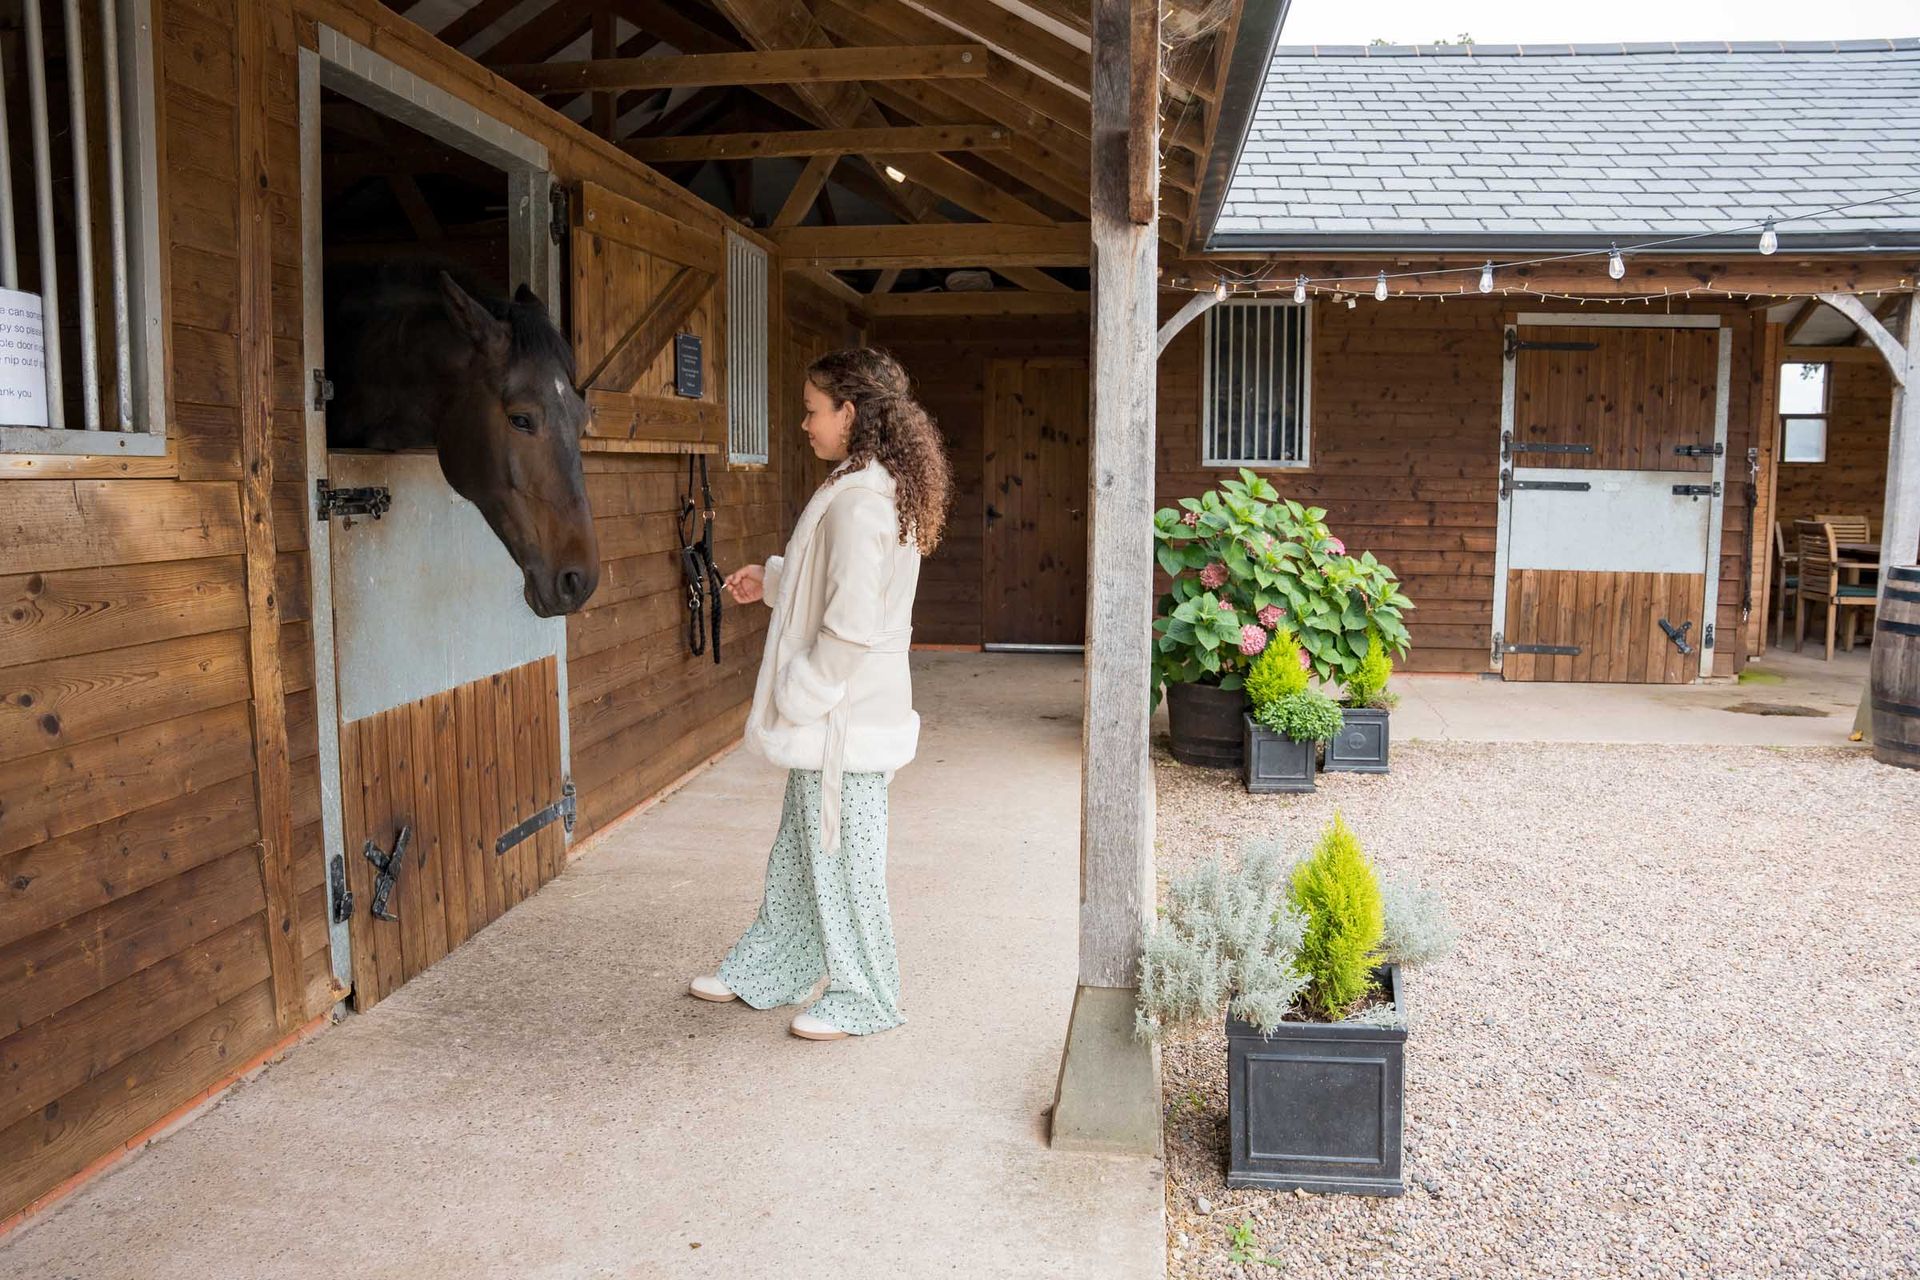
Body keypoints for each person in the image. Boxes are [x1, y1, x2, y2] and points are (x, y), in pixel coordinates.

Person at [688, 349, 951, 1041]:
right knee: (803, 849)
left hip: (845, 716)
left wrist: (803, 693)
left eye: (812, 410)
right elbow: (833, 584)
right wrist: (770, 581)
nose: (804, 423)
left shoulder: (864, 499)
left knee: (847, 863)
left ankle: (867, 995)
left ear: (850, 412)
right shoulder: (865, 484)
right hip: (844, 714)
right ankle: (776, 965)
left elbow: (853, 622)